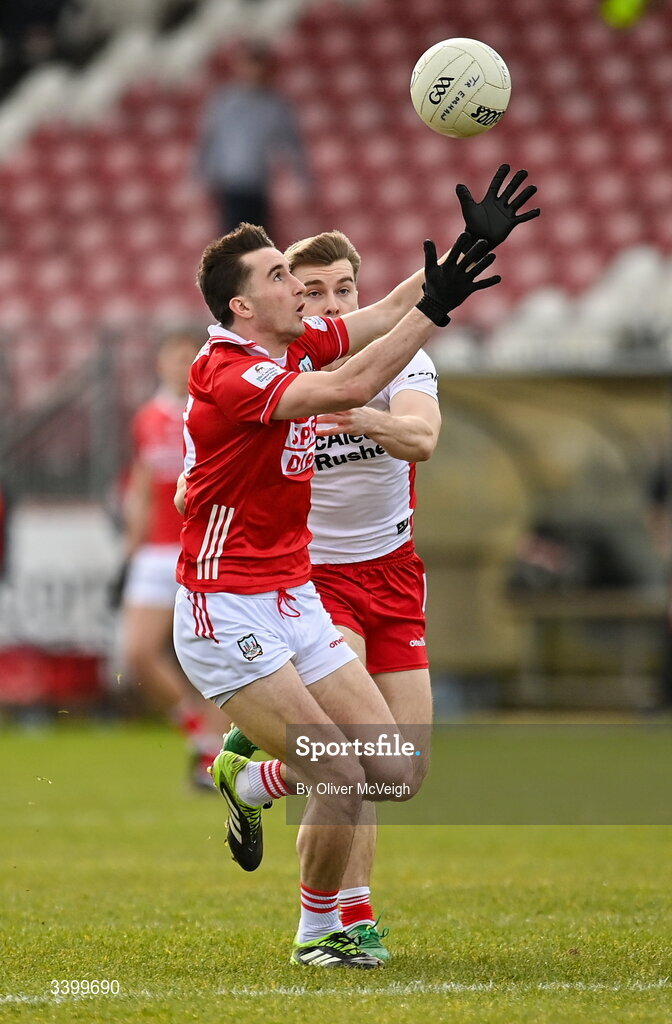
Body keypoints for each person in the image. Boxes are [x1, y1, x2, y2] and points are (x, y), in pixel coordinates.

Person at [172, 216, 500, 968]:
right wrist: (434, 311)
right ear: (242, 308)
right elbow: (354, 383)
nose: (298, 288)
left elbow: (380, 317)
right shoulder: (230, 369)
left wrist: (469, 248)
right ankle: (322, 934)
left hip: (295, 601)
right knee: (341, 768)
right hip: (226, 607)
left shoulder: (290, 343)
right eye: (280, 278)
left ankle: (249, 779)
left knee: (396, 771)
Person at [223, 229, 439, 961]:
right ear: (291, 302)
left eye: (343, 288)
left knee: (401, 775)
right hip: (314, 582)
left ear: (359, 292)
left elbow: (424, 440)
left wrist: (372, 420)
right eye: (310, 291)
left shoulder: (403, 365)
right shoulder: (281, 376)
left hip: (395, 576)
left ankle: (255, 779)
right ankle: (343, 920)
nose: (330, 302)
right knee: (351, 752)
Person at [120, 329, 230, 789]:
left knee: (216, 656)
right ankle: (197, 734)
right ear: (161, 364)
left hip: (203, 547)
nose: (182, 367)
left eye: (191, 358)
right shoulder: (147, 417)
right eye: (175, 358)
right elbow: (143, 484)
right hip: (155, 551)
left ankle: (216, 756)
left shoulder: (215, 412)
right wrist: (129, 547)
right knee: (138, 654)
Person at [195, 41, 312, 239]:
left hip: (258, 184)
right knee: (232, 244)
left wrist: (302, 180)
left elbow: (292, 146)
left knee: (257, 243)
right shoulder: (225, 102)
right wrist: (199, 177)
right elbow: (209, 142)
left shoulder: (275, 106)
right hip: (228, 184)